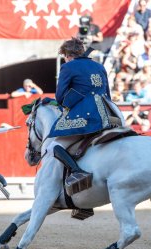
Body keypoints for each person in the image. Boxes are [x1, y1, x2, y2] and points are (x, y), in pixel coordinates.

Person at [48, 37, 122, 190]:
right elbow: (107, 93)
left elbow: (60, 97)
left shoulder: (68, 67)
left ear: (67, 54)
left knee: (54, 145)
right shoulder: (99, 66)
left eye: (64, 57)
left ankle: (77, 172)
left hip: (87, 114)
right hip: (109, 113)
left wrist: (69, 104)